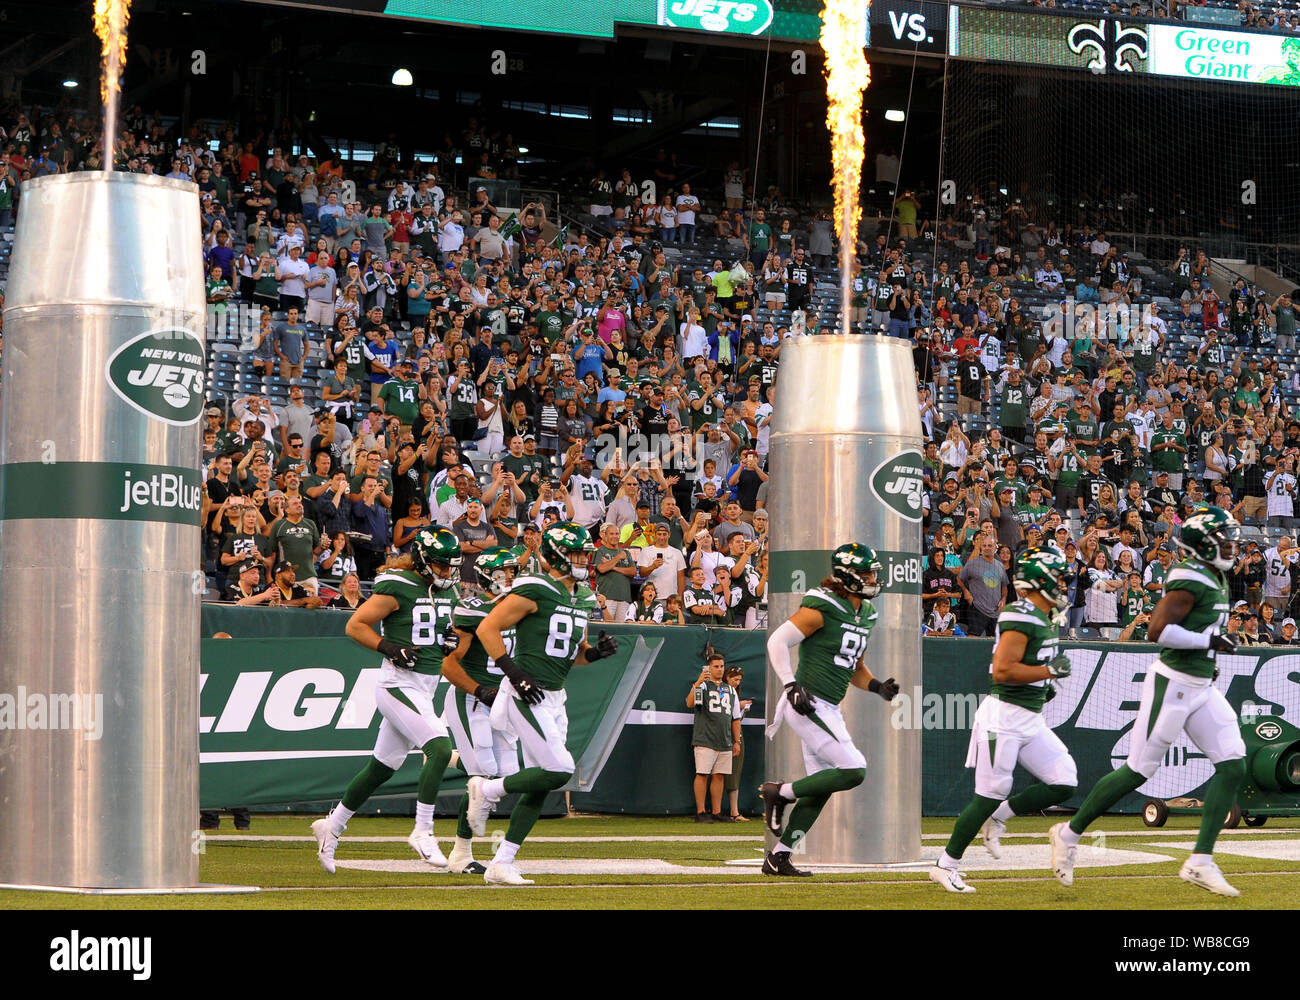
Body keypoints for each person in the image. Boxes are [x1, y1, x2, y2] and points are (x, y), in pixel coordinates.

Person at [1050, 506, 1248, 897]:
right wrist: (1209, 642)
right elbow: (1158, 630)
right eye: (1224, 539)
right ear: (1205, 545)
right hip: (1173, 685)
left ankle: (1200, 861)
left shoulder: (1217, 574)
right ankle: (1068, 835)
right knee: (1138, 771)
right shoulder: (1189, 575)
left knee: (1234, 765)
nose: (1231, 546)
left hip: (1202, 686)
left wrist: (1210, 655)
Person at [466, 522, 620, 886]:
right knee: (559, 769)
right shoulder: (535, 587)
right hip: (525, 691)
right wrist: (513, 672)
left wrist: (595, 654)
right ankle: (486, 789)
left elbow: (572, 655)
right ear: (556, 555)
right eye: (578, 553)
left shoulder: (582, 596)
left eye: (586, 553)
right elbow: (487, 628)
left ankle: (502, 862)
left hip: (555, 695)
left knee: (542, 783)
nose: (584, 559)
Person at [311, 528, 464, 874]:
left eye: (449, 566)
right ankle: (423, 831)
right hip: (397, 683)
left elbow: (438, 632)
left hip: (425, 684)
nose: (446, 572)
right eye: (440, 565)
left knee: (382, 767)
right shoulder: (398, 585)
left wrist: (449, 639)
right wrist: (389, 647)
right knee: (439, 749)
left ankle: (331, 826)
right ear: (424, 560)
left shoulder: (447, 590)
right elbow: (356, 625)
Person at [930, 548, 1077, 893]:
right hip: (1003, 718)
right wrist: (1049, 671)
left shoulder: (1045, 617)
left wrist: (1044, 687)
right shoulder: (1021, 615)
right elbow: (1003, 671)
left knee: (1064, 780)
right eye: (1058, 578)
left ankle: (1000, 817)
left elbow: (1029, 672)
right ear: (1041, 580)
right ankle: (945, 865)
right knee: (989, 793)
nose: (1063, 586)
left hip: (1031, 717)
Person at [759, 544, 898, 876]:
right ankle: (780, 792)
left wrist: (877, 686)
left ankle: (778, 857)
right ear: (848, 576)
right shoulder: (823, 606)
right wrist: (791, 685)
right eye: (866, 573)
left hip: (828, 707)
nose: (872, 579)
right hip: (806, 702)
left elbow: (855, 667)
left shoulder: (866, 613)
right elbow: (776, 641)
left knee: (822, 786)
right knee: (854, 769)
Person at [439, 547, 523, 875]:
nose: (511, 578)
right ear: (489, 575)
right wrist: (479, 690)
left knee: (506, 779)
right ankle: (461, 853)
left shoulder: (519, 608)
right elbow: (448, 664)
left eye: (514, 572)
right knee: (484, 775)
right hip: (470, 699)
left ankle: (454, 758)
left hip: (500, 702)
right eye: (505, 572)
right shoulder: (472, 610)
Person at [687, 652, 742, 823]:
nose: (719, 669)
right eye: (716, 667)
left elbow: (735, 718)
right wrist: (697, 683)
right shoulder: (703, 687)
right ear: (709, 669)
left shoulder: (731, 690)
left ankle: (717, 812)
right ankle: (701, 812)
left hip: (724, 740)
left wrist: (736, 741)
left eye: (721, 666)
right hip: (705, 739)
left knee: (719, 775)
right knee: (702, 773)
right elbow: (689, 703)